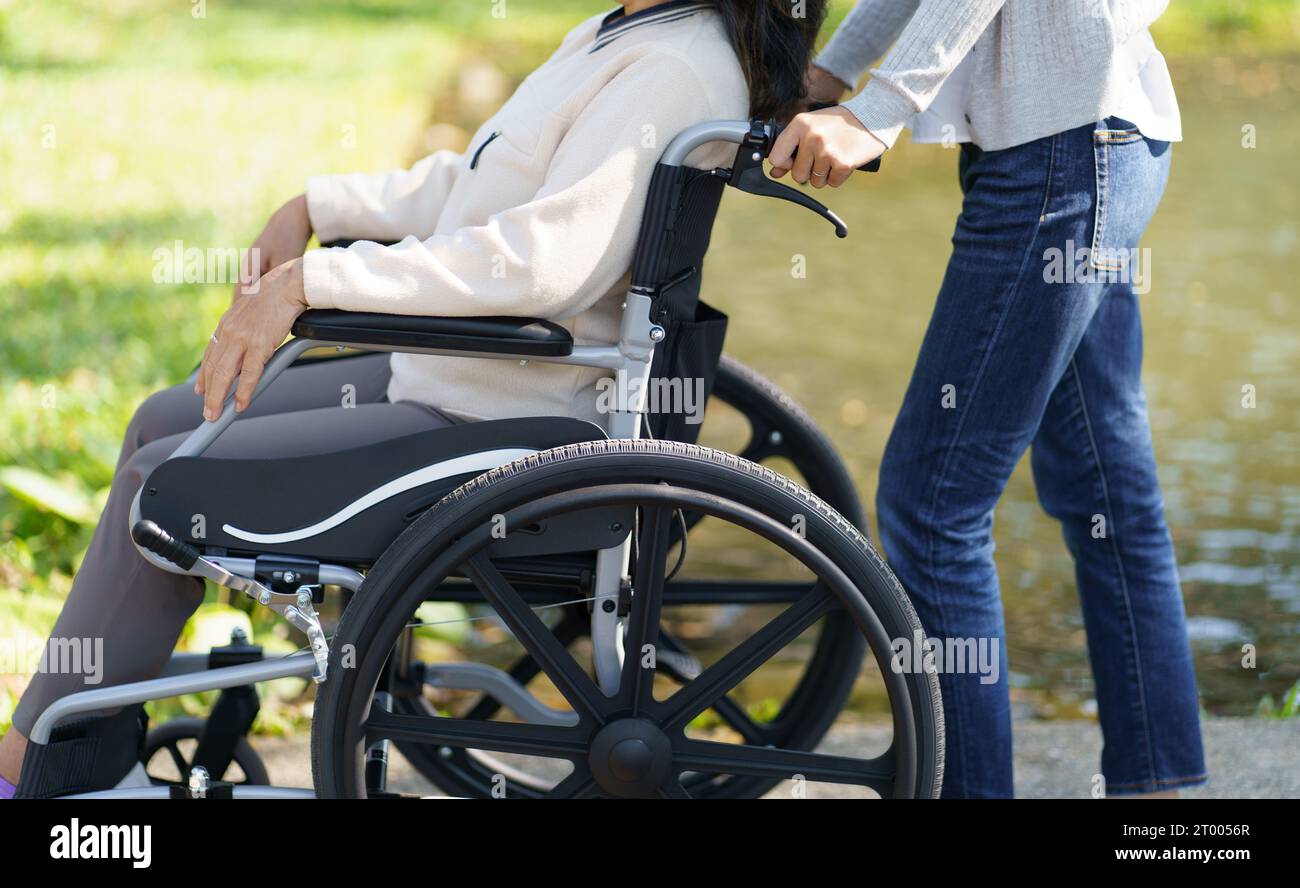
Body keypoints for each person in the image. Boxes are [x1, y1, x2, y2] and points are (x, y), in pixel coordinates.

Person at [0, 0, 828, 797]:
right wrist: (315, 209)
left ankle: (48, 766)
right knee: (170, 420)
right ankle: (71, 738)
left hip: (510, 419)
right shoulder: (622, 34)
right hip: (455, 382)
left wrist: (312, 281)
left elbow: (541, 262)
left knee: (166, 478)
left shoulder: (675, 66)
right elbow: (478, 185)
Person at [769, 0, 1204, 798]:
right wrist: (830, 73)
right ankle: (1156, 800)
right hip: (1100, 144)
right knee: (1105, 485)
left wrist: (878, 110)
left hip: (1061, 162)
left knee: (933, 504)